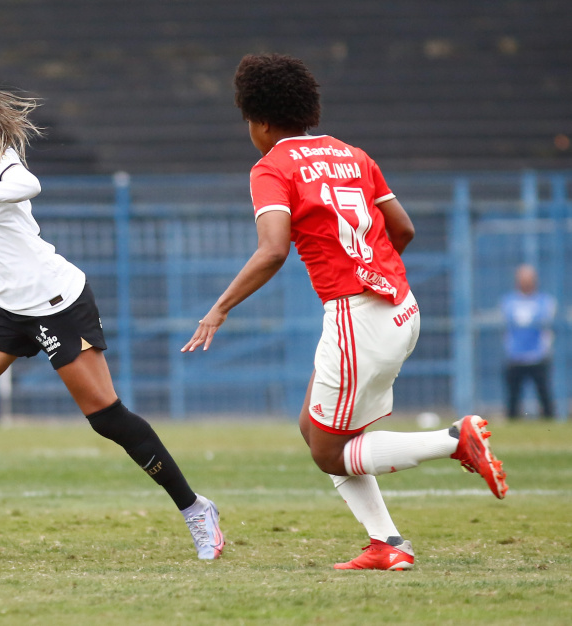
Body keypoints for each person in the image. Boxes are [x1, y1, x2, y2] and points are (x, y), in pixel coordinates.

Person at [0, 55, 223, 560]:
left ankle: (196, 509)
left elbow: (27, 185)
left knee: (106, 417)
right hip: (8, 307)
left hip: (56, 300)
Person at [181, 53, 508, 570]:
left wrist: (218, 309)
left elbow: (272, 250)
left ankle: (454, 440)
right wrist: (371, 266)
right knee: (313, 428)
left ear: (260, 121)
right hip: (399, 308)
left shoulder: (272, 166)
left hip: (360, 316)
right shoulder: (353, 155)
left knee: (328, 452)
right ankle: (389, 545)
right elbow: (403, 231)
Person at [501, 264, 557, 420]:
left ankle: (549, 423)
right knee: (513, 396)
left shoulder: (545, 301)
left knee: (544, 394)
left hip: (537, 356)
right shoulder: (508, 301)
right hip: (515, 356)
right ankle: (512, 423)